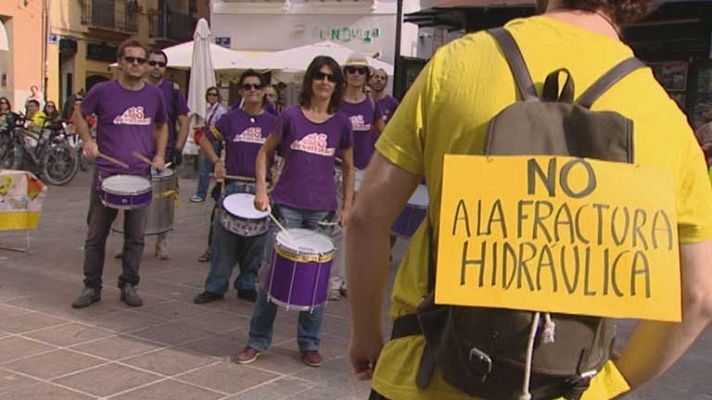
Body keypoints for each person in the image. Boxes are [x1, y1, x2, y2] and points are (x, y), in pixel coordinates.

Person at [346, 1, 712, 399]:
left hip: (423, 372)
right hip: (568, 384)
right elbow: (698, 296)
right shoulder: (664, 117)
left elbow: (367, 216)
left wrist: (366, 335)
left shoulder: (459, 64)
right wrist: (618, 380)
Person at [234, 56, 355, 368]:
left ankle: (309, 343)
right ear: (310, 80)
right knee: (272, 276)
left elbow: (351, 167)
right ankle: (257, 340)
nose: (325, 82)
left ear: (336, 84)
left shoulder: (341, 123)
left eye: (331, 77)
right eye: (319, 76)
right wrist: (261, 190)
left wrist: (347, 207)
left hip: (322, 212)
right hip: (286, 207)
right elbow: (264, 152)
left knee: (316, 282)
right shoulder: (290, 116)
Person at [71, 39, 168, 309]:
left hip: (140, 175)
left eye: (141, 60)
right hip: (106, 174)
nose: (136, 64)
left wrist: (160, 155)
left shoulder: (154, 95)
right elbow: (79, 115)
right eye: (130, 59)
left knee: (135, 237)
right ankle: (91, 286)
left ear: (147, 66)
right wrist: (88, 140)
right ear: (121, 62)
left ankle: (129, 284)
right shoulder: (102, 91)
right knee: (96, 235)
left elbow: (162, 126)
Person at [193, 70, 277, 304]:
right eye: (247, 86)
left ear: (263, 92)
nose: (252, 90)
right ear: (240, 91)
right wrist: (217, 161)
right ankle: (215, 286)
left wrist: (278, 173)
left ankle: (247, 284)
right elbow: (205, 139)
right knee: (224, 240)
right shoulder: (230, 118)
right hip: (232, 186)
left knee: (256, 242)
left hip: (260, 189)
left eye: (257, 87)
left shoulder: (273, 123)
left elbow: (285, 151)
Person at [326, 53, 386, 302]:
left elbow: (385, 135)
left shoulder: (372, 105)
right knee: (339, 227)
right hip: (338, 169)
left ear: (367, 76)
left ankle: (348, 280)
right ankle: (333, 281)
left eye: (361, 71)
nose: (356, 75)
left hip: (363, 172)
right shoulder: (336, 102)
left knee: (358, 228)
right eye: (351, 70)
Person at [145, 48, 190, 260]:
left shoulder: (172, 90)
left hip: (167, 153)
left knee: (165, 198)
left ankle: (162, 242)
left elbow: (184, 120)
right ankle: (132, 238)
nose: (156, 67)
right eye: (152, 63)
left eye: (160, 64)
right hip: (139, 151)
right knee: (135, 196)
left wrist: (179, 148)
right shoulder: (137, 87)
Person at [191, 87, 227, 203]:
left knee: (205, 168)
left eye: (215, 95)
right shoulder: (209, 110)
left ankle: (201, 194)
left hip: (214, 141)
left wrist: (206, 130)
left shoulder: (220, 111)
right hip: (208, 139)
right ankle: (213, 192)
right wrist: (202, 127)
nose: (212, 97)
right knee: (207, 167)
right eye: (210, 94)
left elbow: (220, 129)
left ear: (218, 97)